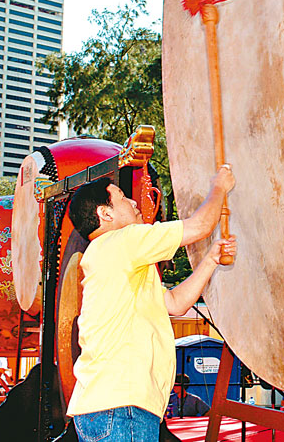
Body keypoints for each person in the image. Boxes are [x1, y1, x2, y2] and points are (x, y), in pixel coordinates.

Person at [66, 164, 237, 442]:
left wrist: (210, 260)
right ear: (105, 213)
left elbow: (175, 304)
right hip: (121, 406)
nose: (133, 202)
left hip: (108, 407)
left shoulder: (116, 260)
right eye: (123, 198)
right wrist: (219, 186)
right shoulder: (122, 241)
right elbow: (200, 226)